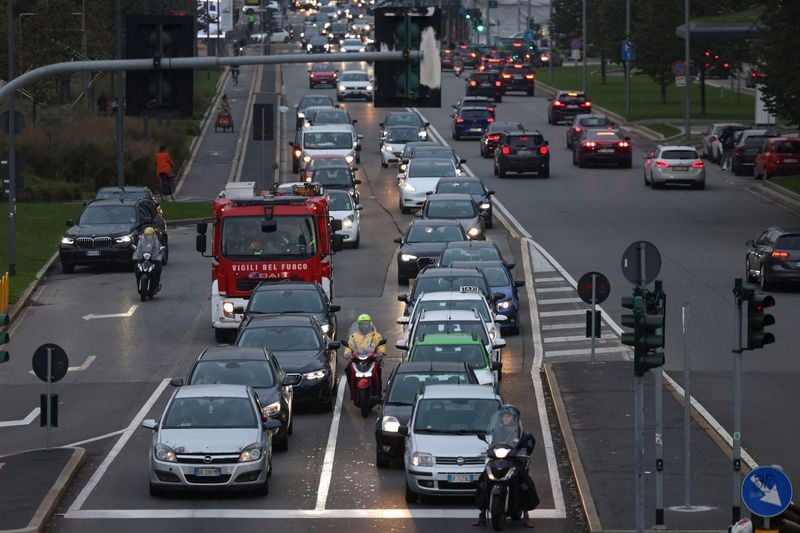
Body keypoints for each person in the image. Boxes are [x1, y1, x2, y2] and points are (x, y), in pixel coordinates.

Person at [474, 404, 539, 528]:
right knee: (483, 481)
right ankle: (482, 515)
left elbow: (529, 441)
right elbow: (491, 442)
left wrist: (525, 449)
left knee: (524, 483)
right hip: (497, 459)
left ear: (514, 419)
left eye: (509, 416)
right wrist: (488, 447)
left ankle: (526, 516)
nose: (506, 419)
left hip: (514, 460)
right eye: (504, 416)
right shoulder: (496, 431)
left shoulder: (520, 433)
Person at [133, 227, 164, 292]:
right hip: (144, 258)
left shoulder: (156, 242)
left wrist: (159, 255)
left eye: (150, 235)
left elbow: (160, 249)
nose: (148, 236)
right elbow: (138, 249)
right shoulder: (142, 242)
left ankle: (156, 285)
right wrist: (136, 255)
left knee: (158, 267)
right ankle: (139, 279)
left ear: (153, 235)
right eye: (147, 235)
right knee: (137, 267)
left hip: (153, 259)